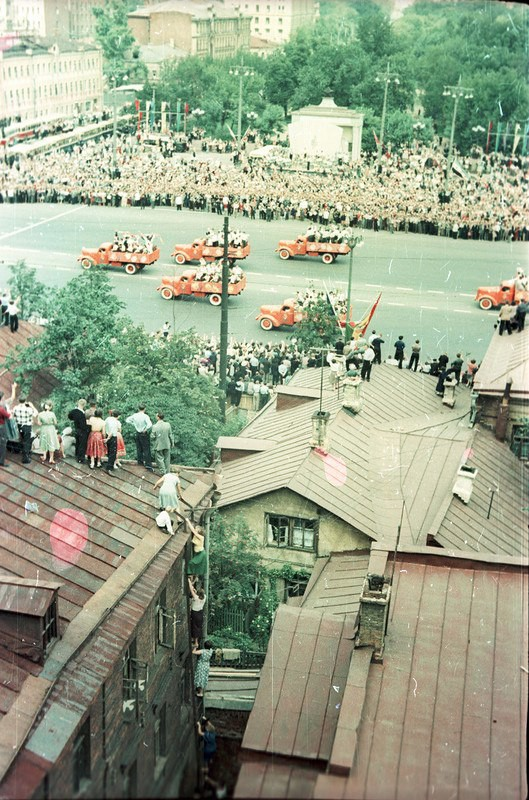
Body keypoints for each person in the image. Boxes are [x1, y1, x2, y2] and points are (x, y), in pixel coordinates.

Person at [12, 394, 39, 465]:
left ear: (18, 400)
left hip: (19, 426)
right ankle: (25, 458)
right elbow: (36, 414)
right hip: (27, 426)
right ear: (25, 400)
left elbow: (13, 416)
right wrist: (32, 406)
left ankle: (22, 452)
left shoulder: (15, 408)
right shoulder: (28, 409)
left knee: (22, 439)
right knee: (26, 441)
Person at [126, 404, 154, 470]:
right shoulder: (145, 416)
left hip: (138, 433)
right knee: (146, 449)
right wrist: (145, 429)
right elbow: (150, 424)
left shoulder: (135, 415)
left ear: (138, 408)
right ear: (145, 409)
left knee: (139, 448)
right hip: (144, 433)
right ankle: (148, 465)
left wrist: (134, 424)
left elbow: (127, 420)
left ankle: (140, 462)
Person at [68, 398, 89, 464]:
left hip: (76, 429)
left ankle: (77, 455)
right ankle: (81, 458)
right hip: (82, 430)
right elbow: (83, 424)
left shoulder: (74, 411)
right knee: (82, 444)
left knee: (78, 443)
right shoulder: (82, 413)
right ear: (84, 405)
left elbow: (69, 416)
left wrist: (74, 420)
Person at [188, 577, 206, 647]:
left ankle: (196, 643)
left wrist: (189, 581)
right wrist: (195, 590)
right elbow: (195, 593)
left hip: (195, 614)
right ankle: (196, 641)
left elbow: (190, 589)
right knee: (198, 627)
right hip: (200, 614)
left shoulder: (195, 598)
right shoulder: (204, 597)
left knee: (194, 627)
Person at [103, 409, 120, 475]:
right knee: (113, 452)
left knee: (109, 451)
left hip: (107, 434)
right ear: (118, 416)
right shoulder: (115, 422)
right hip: (112, 437)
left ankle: (109, 465)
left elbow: (104, 426)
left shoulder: (108, 419)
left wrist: (105, 436)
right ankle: (109, 468)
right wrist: (107, 438)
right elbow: (112, 432)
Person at [0, 390, 13, 468]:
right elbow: (9, 416)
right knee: (2, 444)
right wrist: (10, 412)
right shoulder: (1, 409)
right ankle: (1, 462)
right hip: (1, 427)